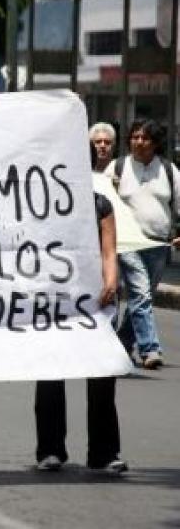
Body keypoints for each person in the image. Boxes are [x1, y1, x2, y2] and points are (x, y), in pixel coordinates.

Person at [34, 141, 127, 475]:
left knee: (101, 376)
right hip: (55, 301)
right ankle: (50, 450)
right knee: (50, 374)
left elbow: (108, 250)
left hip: (94, 303)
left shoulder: (100, 205)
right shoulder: (41, 206)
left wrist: (110, 282)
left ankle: (104, 453)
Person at [104, 119, 180, 369]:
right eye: (134, 137)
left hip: (158, 244)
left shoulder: (169, 171)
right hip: (126, 243)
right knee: (141, 293)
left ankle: (121, 345)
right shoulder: (118, 168)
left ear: (155, 142)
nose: (138, 142)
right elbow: (101, 203)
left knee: (141, 299)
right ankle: (150, 349)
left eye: (144, 138)